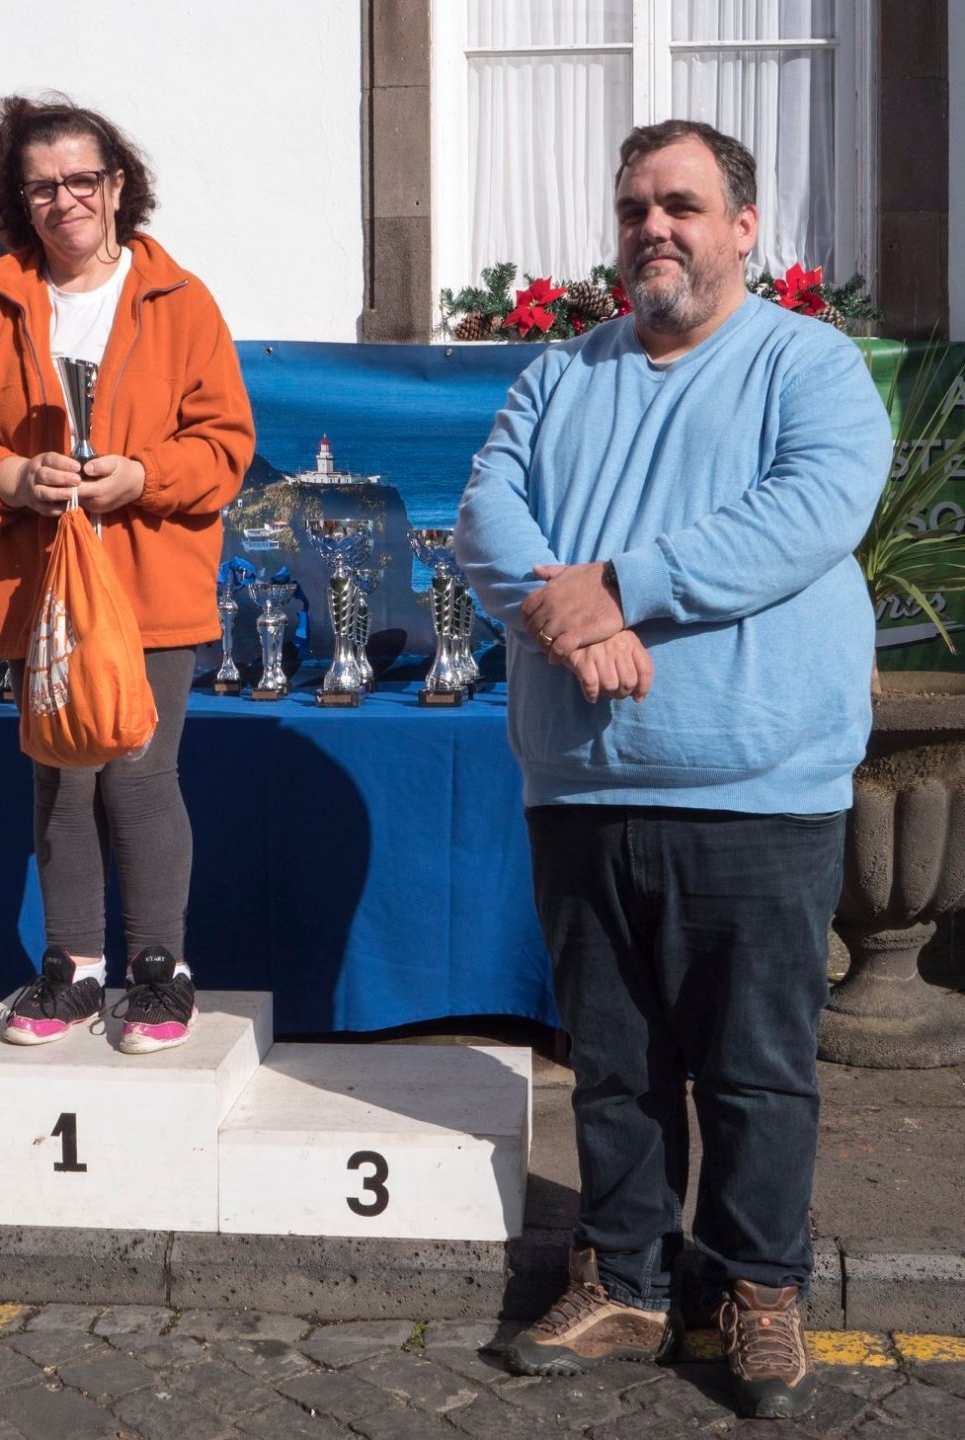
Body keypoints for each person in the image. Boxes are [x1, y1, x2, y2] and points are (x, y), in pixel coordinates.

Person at [454, 120, 890, 1420]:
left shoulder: (809, 365)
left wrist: (620, 587)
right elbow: (487, 514)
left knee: (757, 1070)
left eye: (683, 205)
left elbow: (809, 513)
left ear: (743, 228)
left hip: (759, 786)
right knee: (614, 1064)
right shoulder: (558, 375)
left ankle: (756, 1288)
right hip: (582, 782)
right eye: (636, 206)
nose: (655, 227)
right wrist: (569, 617)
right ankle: (628, 1282)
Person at [0, 96, 253, 1054]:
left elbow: (225, 446)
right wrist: (12, 479)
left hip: (149, 582)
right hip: (40, 591)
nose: (63, 200)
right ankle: (74, 970)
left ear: (116, 186)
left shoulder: (180, 300)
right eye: (41, 187)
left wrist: (143, 476)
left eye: (81, 179)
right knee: (61, 781)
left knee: (140, 775)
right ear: (18, 200)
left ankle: (160, 971)